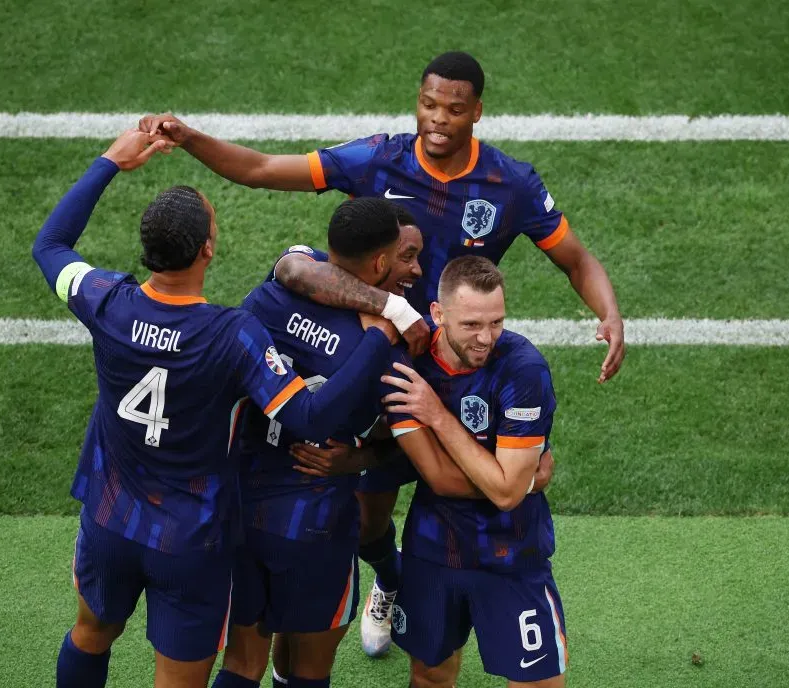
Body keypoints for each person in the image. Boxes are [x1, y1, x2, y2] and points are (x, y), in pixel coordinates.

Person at [139, 49, 620, 656]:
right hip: (377, 357)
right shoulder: (379, 159)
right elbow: (262, 169)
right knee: (368, 515)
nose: (437, 119)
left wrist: (609, 312)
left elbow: (574, 259)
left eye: (453, 108)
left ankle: (438, 588)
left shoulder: (511, 184)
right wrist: (188, 137)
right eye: (427, 104)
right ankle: (391, 579)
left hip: (453, 365)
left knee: (455, 481)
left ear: (477, 112)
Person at [31, 130, 399, 688]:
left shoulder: (105, 300)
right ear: (207, 249)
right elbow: (308, 418)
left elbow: (50, 245)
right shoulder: (233, 335)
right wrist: (377, 339)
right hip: (191, 541)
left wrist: (110, 161)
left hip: (109, 518)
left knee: (90, 634)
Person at [211, 198, 423, 688]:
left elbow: (294, 267)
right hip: (315, 522)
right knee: (306, 671)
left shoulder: (271, 292)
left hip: (240, 504)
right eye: (402, 256)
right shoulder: (389, 353)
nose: (411, 267)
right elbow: (414, 445)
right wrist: (359, 460)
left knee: (242, 663)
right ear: (379, 263)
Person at [381, 256, 566, 688]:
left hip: (512, 552)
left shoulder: (524, 370)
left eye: (497, 322)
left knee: (540, 684)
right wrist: (518, 480)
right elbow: (444, 479)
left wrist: (438, 416)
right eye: (471, 325)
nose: (486, 338)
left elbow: (505, 495)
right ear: (439, 315)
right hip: (434, 550)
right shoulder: (407, 368)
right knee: (429, 676)